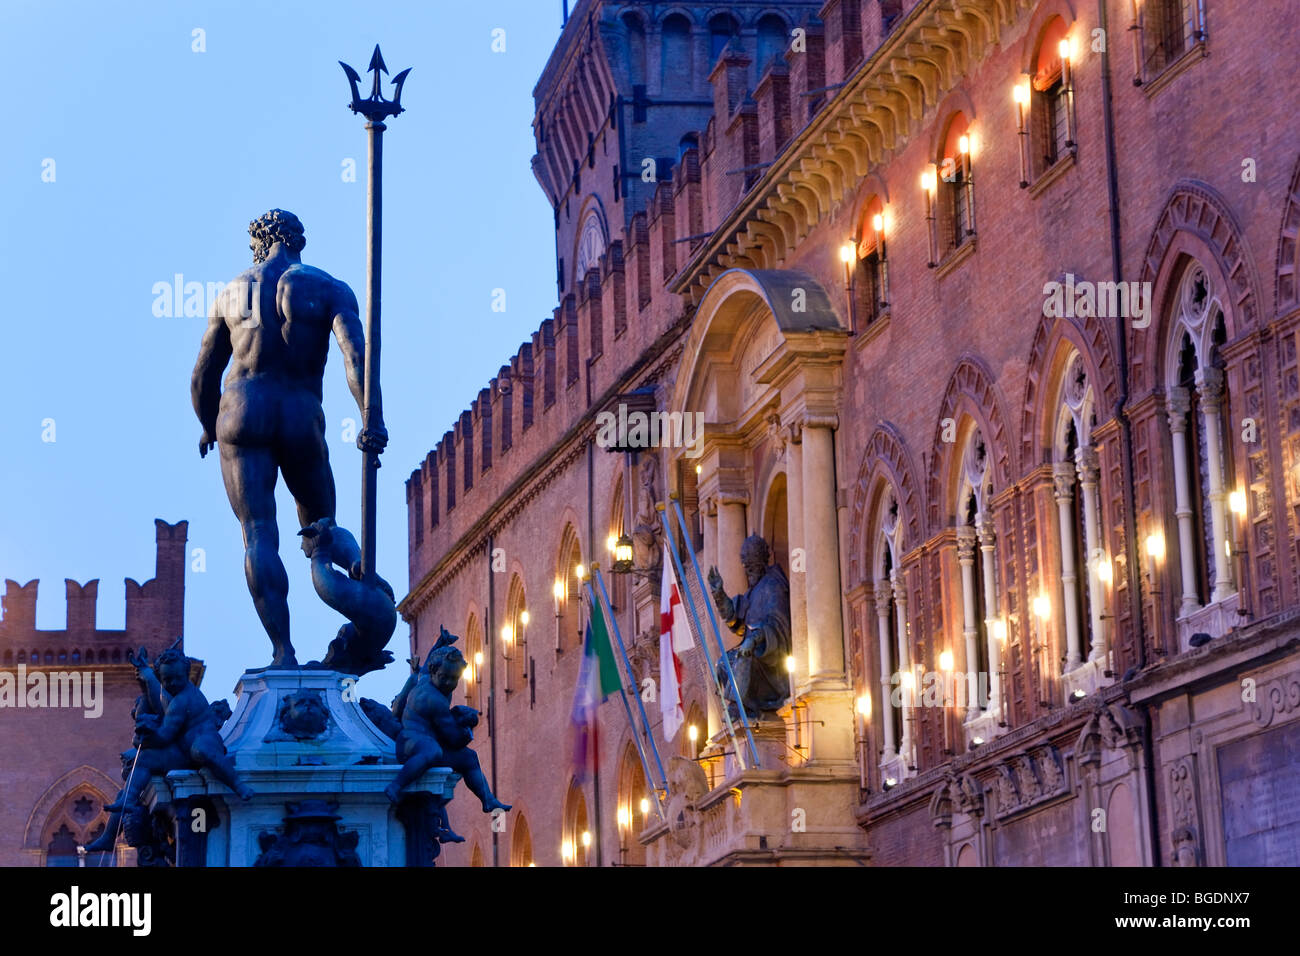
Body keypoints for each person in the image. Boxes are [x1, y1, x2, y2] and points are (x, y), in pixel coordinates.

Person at [191, 209, 386, 667]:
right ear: (300, 241)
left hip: (241, 411)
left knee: (259, 534)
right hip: (300, 414)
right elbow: (356, 358)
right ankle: (359, 578)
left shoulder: (232, 293)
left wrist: (205, 423)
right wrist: (371, 417)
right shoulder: (328, 288)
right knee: (323, 524)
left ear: (258, 243)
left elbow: (203, 373)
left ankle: (283, 653)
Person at [707, 535, 792, 721]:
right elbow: (735, 621)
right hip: (756, 654)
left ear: (761, 561)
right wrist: (719, 594)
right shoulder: (753, 590)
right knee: (722, 663)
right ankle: (742, 708)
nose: (747, 570)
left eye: (751, 566)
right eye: (746, 566)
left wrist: (754, 640)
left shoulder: (772, 586)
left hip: (772, 660)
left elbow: (778, 624)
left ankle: (738, 707)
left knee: (743, 658)